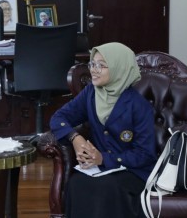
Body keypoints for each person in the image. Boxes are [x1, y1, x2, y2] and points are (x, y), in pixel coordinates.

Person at [49, 42, 157, 218]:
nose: (94, 70)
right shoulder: (91, 93)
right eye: (92, 64)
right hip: (99, 169)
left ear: (118, 68)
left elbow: (145, 154)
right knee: (76, 183)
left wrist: (104, 158)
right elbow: (58, 118)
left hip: (132, 171)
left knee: (105, 188)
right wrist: (75, 138)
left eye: (101, 65)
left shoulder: (138, 105)